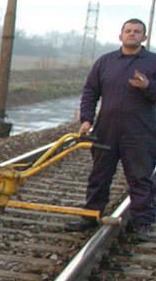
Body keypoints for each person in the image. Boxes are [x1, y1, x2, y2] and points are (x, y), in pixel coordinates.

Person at [65, 18, 156, 240]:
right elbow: (90, 91)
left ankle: (142, 222)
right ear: (120, 35)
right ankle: (90, 215)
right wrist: (86, 119)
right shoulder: (105, 62)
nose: (132, 34)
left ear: (144, 37)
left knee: (140, 177)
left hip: (140, 131)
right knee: (99, 174)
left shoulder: (152, 63)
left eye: (137, 32)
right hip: (106, 129)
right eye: (128, 31)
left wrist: (148, 87)